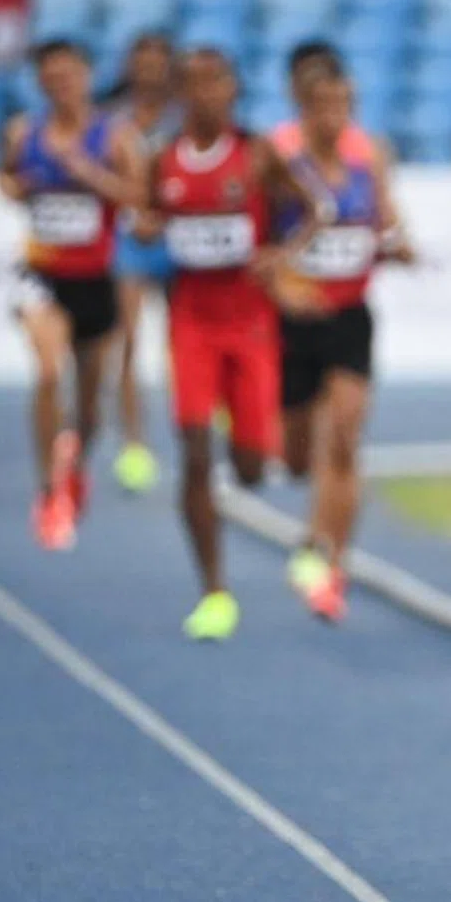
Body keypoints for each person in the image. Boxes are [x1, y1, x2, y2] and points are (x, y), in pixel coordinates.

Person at [135, 48, 327, 641]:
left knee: (248, 466)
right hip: (190, 323)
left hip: (249, 326)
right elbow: (145, 217)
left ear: (233, 91)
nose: (204, 94)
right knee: (193, 453)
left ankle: (249, 445)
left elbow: (315, 210)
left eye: (215, 82)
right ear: (179, 95)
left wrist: (280, 256)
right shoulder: (162, 159)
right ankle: (214, 592)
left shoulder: (259, 153)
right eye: (192, 85)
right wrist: (147, 226)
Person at [270, 52, 415, 622]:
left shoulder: (368, 156)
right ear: (303, 108)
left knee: (345, 438)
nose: (336, 117)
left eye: (344, 106)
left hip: (349, 318)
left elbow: (386, 221)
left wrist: (398, 244)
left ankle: (330, 561)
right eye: (324, 106)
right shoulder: (282, 162)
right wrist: (282, 286)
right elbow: (261, 238)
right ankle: (314, 535)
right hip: (292, 325)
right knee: (296, 454)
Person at [0, 40, 146, 551]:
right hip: (41, 274)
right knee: (46, 371)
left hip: (95, 278)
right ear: (40, 83)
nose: (60, 85)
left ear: (86, 76)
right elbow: (6, 178)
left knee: (88, 404)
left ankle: (75, 466)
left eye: (69, 75)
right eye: (51, 77)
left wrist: (89, 174)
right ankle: (47, 490)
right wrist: (13, 188)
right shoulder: (24, 132)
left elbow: (139, 198)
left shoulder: (114, 137)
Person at [105, 32, 185, 495]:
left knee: (183, 342)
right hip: (132, 239)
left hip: (177, 239)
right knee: (130, 342)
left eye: (158, 63)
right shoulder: (115, 123)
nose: (150, 72)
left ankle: (197, 430)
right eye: (143, 63)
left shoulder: (184, 120)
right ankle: (134, 443)